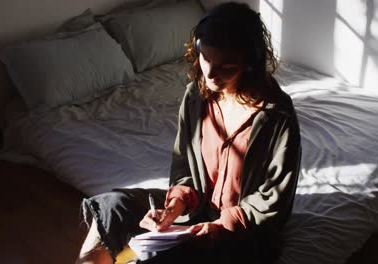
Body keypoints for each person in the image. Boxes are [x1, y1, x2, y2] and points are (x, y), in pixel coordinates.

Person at [76, 2, 301, 264]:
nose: (211, 74)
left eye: (226, 67)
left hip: (241, 233)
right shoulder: (196, 97)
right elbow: (185, 169)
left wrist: (217, 226)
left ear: (249, 62)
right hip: (198, 212)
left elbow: (273, 201)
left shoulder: (277, 116)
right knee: (114, 205)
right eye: (205, 59)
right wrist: (174, 208)